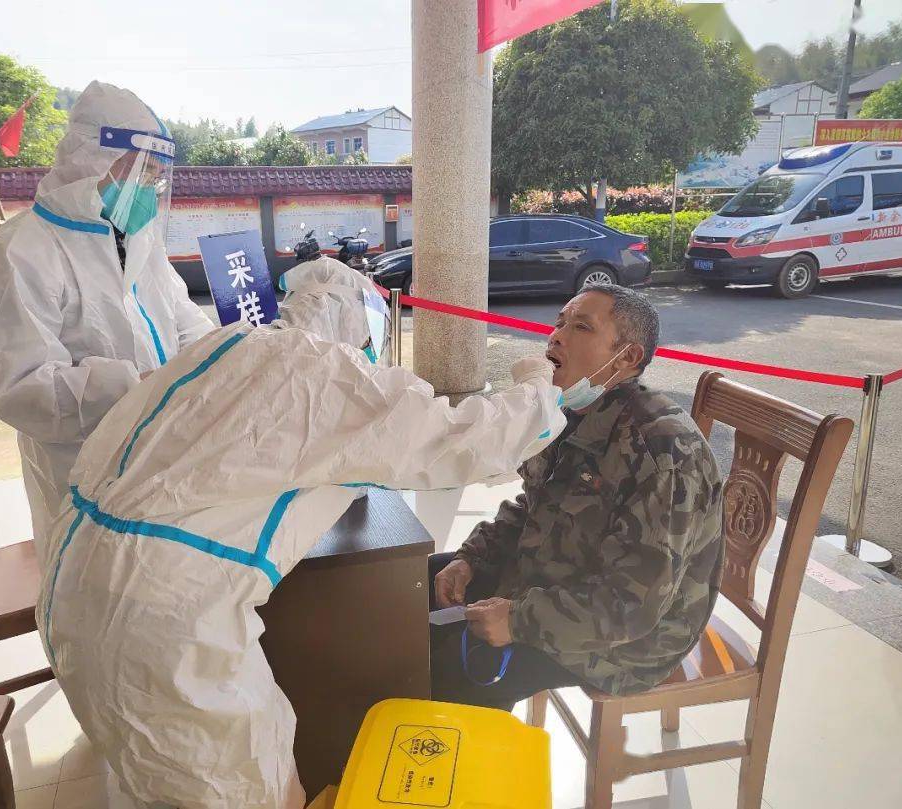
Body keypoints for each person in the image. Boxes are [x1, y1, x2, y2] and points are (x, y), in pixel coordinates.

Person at [37, 257, 567, 809]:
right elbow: (464, 442)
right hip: (161, 619)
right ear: (356, 326)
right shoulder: (317, 374)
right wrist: (538, 388)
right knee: (229, 786)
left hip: (73, 584)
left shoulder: (225, 348)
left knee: (156, 772)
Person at [431, 284, 724, 710]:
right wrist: (471, 557)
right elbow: (532, 508)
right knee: (411, 583)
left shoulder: (663, 455)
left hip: (626, 642)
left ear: (626, 358)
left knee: (447, 672)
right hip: (558, 577)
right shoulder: (567, 413)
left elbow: (633, 608)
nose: (557, 337)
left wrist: (518, 621)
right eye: (559, 323)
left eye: (581, 327)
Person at [0, 81, 214, 565]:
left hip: (164, 457)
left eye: (156, 177)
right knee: (100, 603)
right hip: (81, 477)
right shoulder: (16, 255)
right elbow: (23, 390)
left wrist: (221, 358)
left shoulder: (139, 244)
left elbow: (186, 325)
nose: (147, 188)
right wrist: (138, 385)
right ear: (90, 160)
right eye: (138, 171)